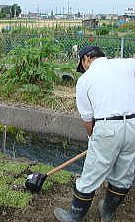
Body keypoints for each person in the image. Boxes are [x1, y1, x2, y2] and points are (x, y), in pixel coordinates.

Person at [54, 46, 135, 222]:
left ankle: (74, 217)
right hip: (133, 125)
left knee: (91, 174)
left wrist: (93, 139)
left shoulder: (85, 80)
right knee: (124, 175)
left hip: (107, 127)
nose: (83, 69)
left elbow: (87, 119)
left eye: (82, 65)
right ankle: (107, 212)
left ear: (87, 59)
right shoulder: (127, 64)